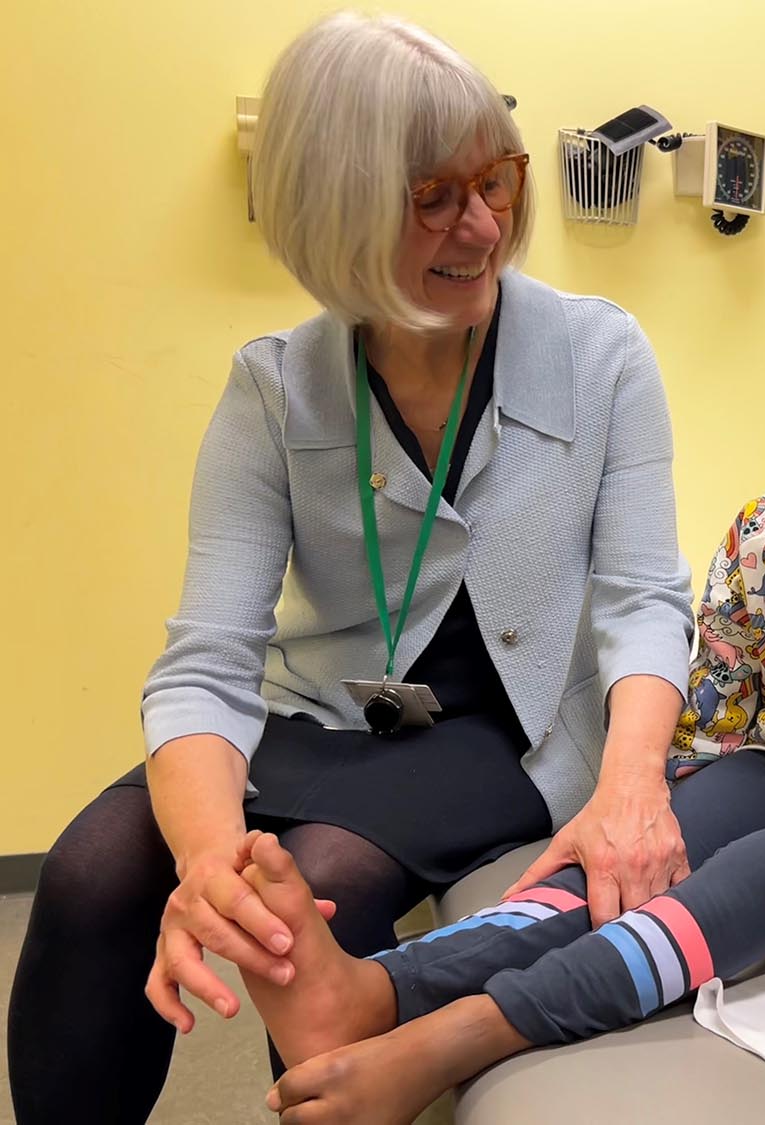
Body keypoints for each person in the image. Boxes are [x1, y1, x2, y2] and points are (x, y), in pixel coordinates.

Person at [6, 14, 695, 1124]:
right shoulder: (274, 388)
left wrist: (632, 784)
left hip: (511, 729)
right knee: (91, 869)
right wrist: (210, 861)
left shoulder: (602, 355)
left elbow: (644, 598)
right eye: (434, 197)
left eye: (497, 179)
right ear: (336, 206)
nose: (486, 225)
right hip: (326, 714)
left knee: (325, 881)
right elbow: (207, 661)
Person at [221, 247, 765, 1122]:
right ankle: (378, 988)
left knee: (745, 881)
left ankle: (464, 1034)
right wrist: (662, 809)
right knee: (618, 872)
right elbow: (720, 688)